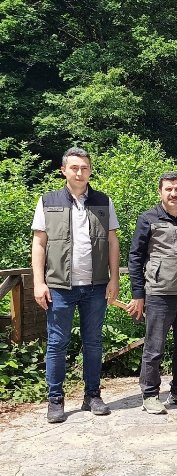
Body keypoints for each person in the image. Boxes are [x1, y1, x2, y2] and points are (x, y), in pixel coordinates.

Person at [31, 147, 120, 423]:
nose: (79, 172)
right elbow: (39, 243)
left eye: (84, 168)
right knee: (57, 343)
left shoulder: (103, 201)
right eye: (74, 168)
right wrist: (38, 282)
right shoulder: (48, 201)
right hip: (59, 287)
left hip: (95, 285)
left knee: (93, 343)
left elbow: (113, 241)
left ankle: (92, 395)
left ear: (90, 171)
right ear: (64, 170)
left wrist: (114, 278)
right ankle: (55, 399)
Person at [127, 172, 177, 413]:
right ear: (160, 192)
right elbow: (135, 257)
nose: (173, 193)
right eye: (169, 189)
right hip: (159, 294)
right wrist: (138, 294)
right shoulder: (148, 218)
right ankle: (150, 395)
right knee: (154, 348)